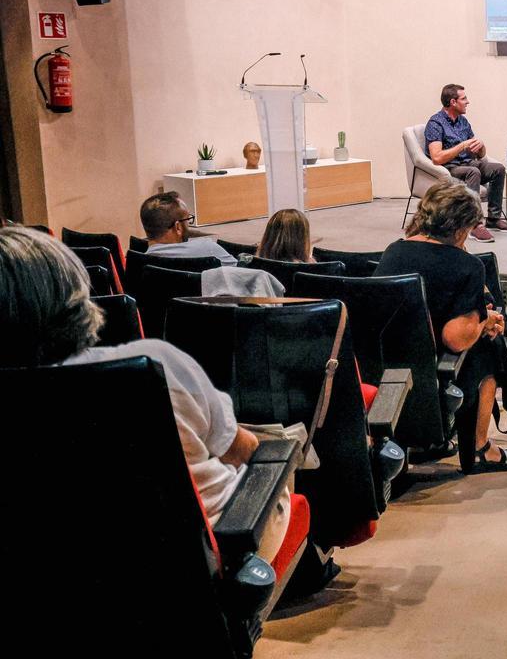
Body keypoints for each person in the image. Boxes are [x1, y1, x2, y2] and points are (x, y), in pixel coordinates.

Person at [0, 226, 291, 561]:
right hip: (199, 560)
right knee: (279, 460)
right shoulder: (152, 363)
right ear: (74, 296)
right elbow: (240, 450)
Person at [374, 180, 507, 473]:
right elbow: (454, 338)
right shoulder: (466, 266)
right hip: (431, 373)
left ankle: (428, 442)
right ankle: (480, 448)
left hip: (381, 369)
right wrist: (485, 322)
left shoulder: (394, 252)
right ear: (462, 228)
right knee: (490, 347)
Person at [424, 83, 507, 243]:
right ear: (453, 102)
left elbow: (480, 154)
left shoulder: (462, 122)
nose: (468, 102)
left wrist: (480, 147)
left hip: (469, 163)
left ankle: (493, 219)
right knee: (474, 172)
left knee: (498, 169)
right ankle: (473, 224)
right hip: (449, 168)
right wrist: (461, 146)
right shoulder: (435, 123)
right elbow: (436, 157)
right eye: (464, 98)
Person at [140, 191, 236, 266]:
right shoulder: (207, 249)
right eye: (187, 220)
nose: (188, 224)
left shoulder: (138, 263)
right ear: (178, 227)